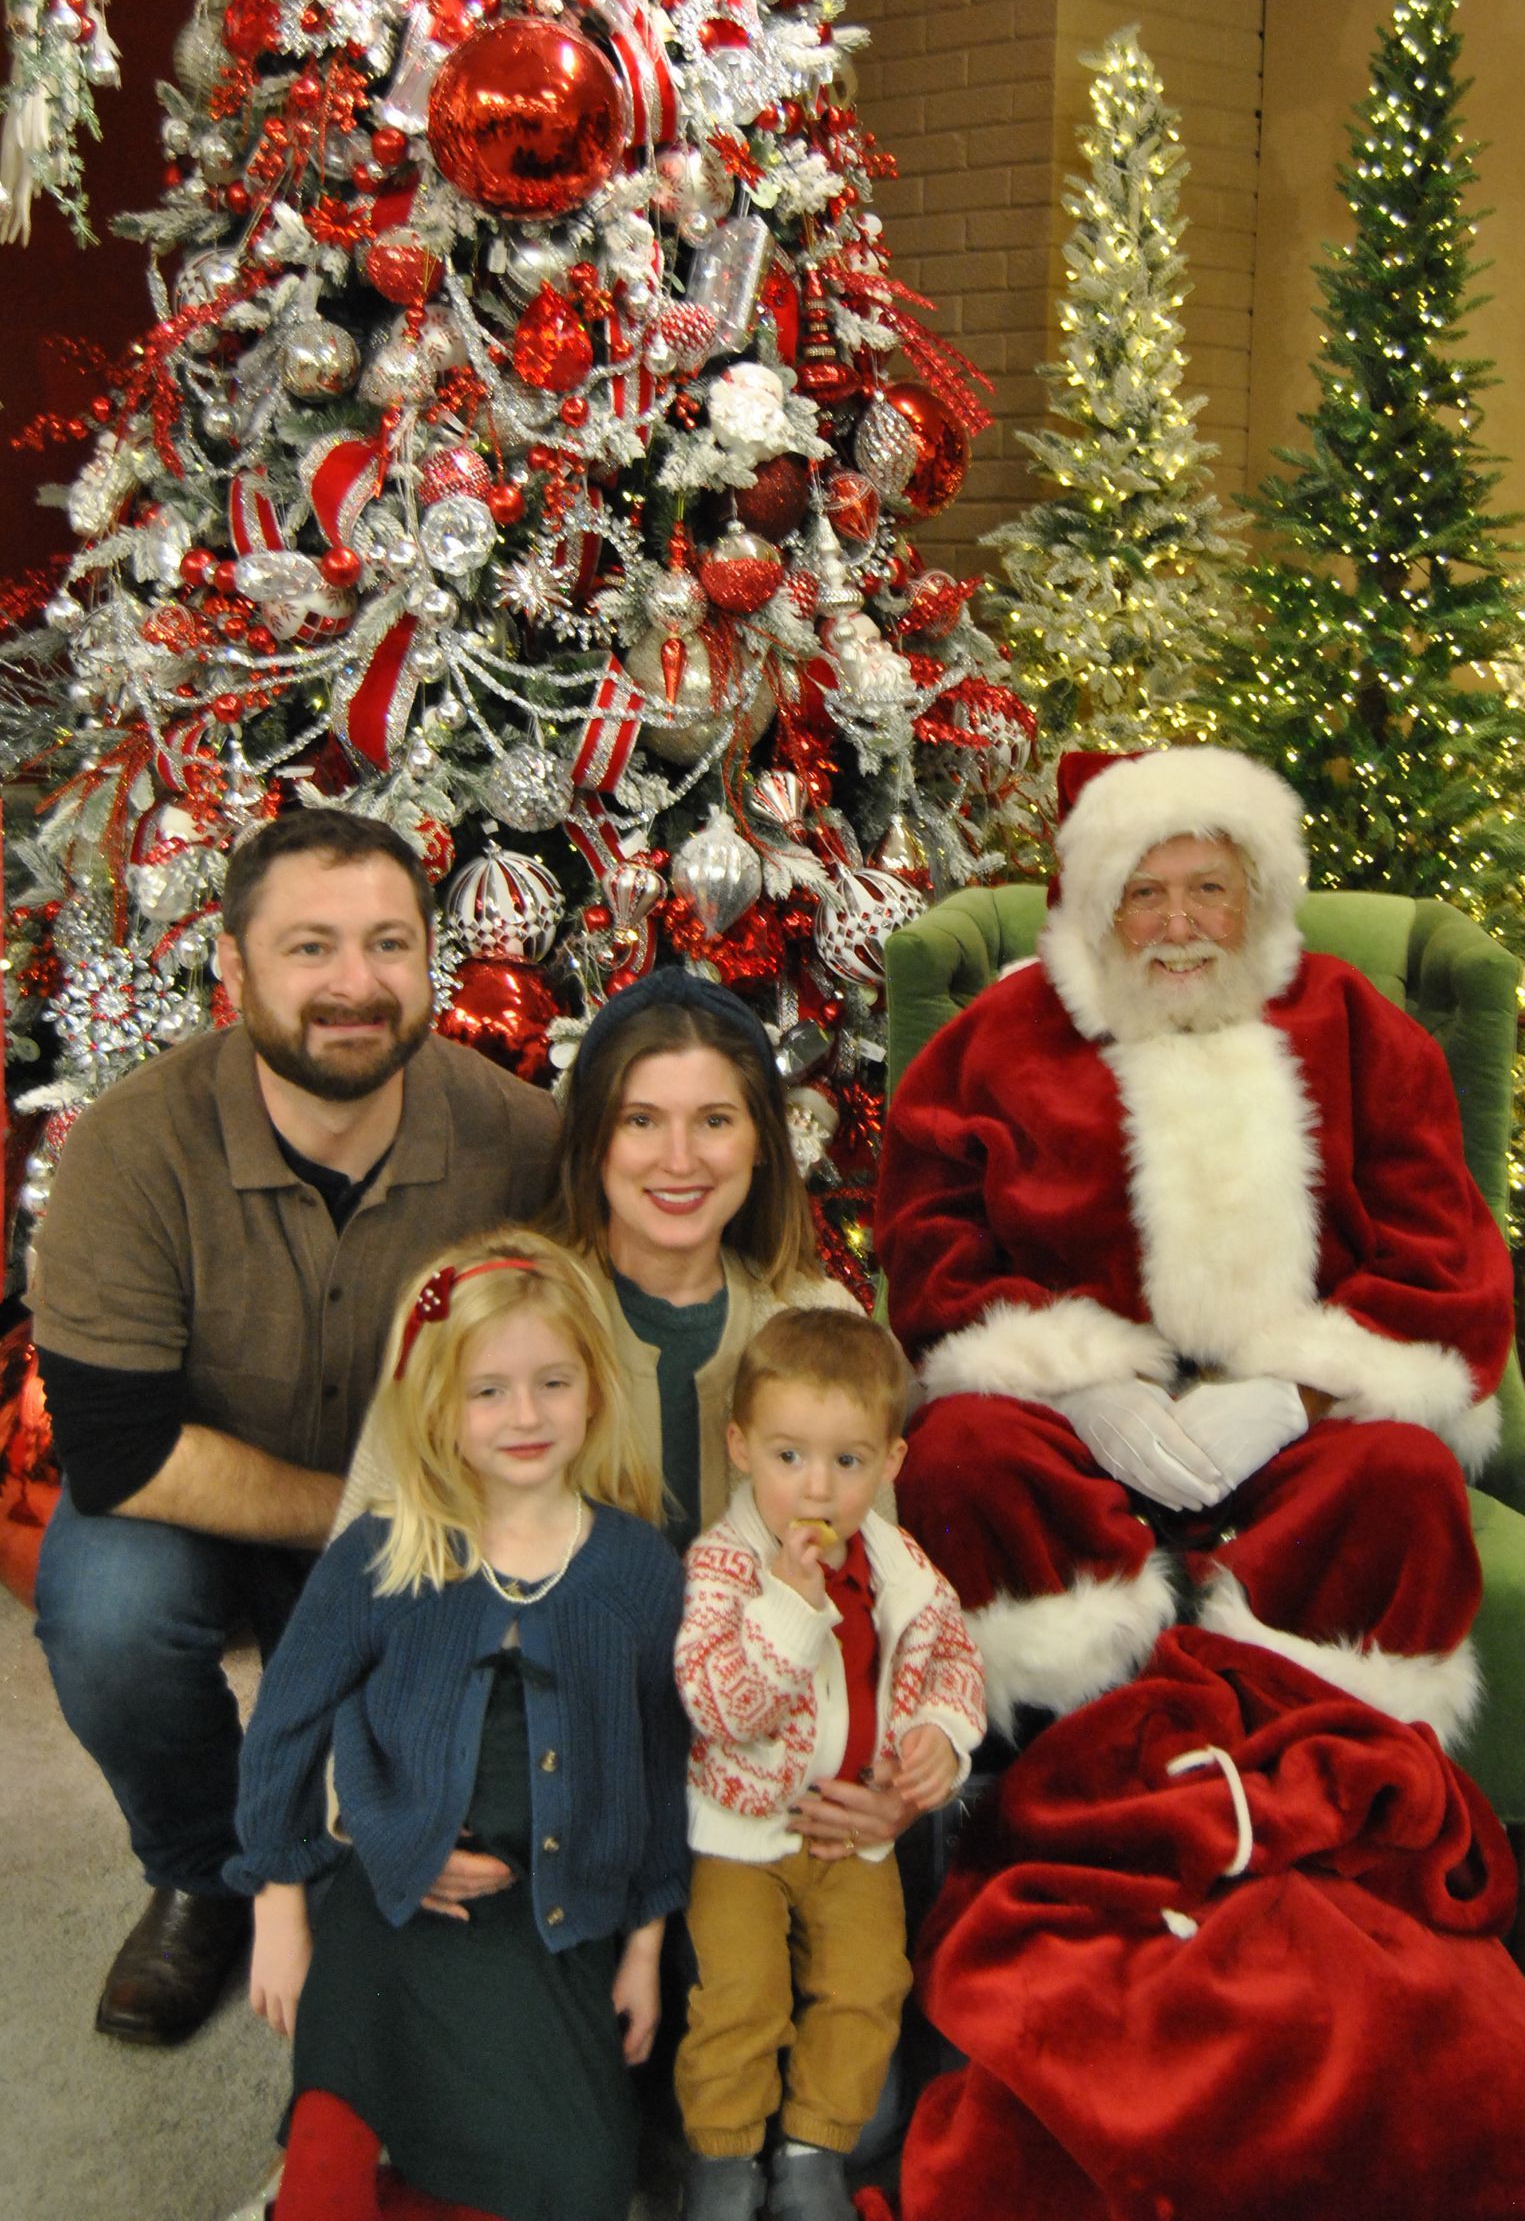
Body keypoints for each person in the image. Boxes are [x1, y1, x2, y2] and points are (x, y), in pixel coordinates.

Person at [29, 808, 560, 2044]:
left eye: (388, 944)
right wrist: (365, 1515)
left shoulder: (525, 1144)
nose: (354, 985)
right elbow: (119, 1452)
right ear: (232, 965)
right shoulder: (130, 1150)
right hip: (200, 1503)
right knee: (105, 1617)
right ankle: (202, 1871)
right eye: (309, 947)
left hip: (438, 1506)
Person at [876, 744, 1515, 1749]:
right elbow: (929, 1243)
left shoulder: (1356, 1025)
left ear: (1256, 893)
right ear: (1096, 905)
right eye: (1144, 894)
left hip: (1299, 1429)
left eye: (1208, 889)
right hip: (1064, 1431)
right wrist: (1076, 1387)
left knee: (1403, 1476)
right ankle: (1053, 1741)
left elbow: (1443, 1256)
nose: (1178, 926)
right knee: (960, 1457)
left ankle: (1317, 1754)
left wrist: (1294, 1395)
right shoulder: (1001, 1037)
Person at [337, 968, 907, 1913]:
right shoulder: (483, 1310)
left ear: (761, 1143)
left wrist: (891, 1774)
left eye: (714, 1120)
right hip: (546, 1773)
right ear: (593, 1139)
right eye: (641, 1120)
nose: (678, 1159)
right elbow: (366, 1583)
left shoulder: (822, 1324)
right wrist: (369, 1804)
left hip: (767, 1786)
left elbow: (881, 1597)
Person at [229, 1229, 688, 2221]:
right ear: (436, 1405)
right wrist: (278, 1908)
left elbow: (660, 1771)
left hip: (554, 1924)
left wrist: (646, 1949)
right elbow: (283, 1731)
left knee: (581, 2190)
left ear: (594, 1389)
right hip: (395, 1906)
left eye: (553, 1383)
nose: (525, 1415)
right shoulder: (383, 1554)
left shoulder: (638, 1572)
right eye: (487, 1390)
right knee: (323, 2185)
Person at [673, 1308, 986, 2221]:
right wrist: (787, 1605)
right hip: (742, 1835)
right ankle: (723, 2157)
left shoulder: (901, 1566)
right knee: (738, 1994)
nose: (816, 1487)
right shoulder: (723, 1567)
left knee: (868, 1984)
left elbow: (952, 1658)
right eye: (788, 1457)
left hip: (855, 1834)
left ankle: (814, 2149)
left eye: (847, 1461)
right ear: (740, 1447)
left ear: (890, 1463)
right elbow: (721, 1708)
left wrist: (942, 1734)